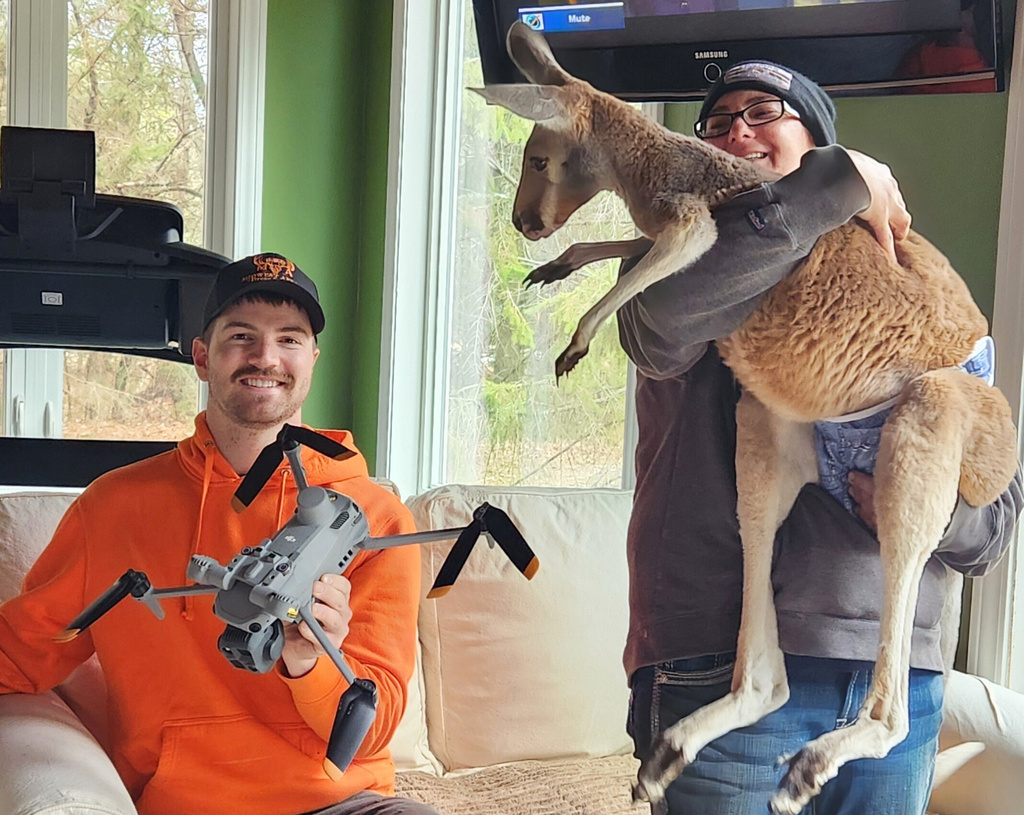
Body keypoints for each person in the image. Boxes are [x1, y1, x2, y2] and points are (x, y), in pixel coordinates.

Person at [616, 61, 1024, 815]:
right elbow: (657, 331)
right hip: (721, 666)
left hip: (895, 679)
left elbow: (994, 524)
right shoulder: (681, 264)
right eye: (715, 121)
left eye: (764, 110)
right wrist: (826, 185)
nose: (736, 127)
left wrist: (915, 499)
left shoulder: (911, 280)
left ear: (821, 142)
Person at [0, 253, 439, 815]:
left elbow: (369, 732)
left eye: (290, 339)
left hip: (346, 805)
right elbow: (21, 654)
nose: (266, 357)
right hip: (185, 804)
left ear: (311, 359)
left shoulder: (374, 519)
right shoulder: (113, 508)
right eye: (242, 336)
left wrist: (308, 659)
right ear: (203, 358)